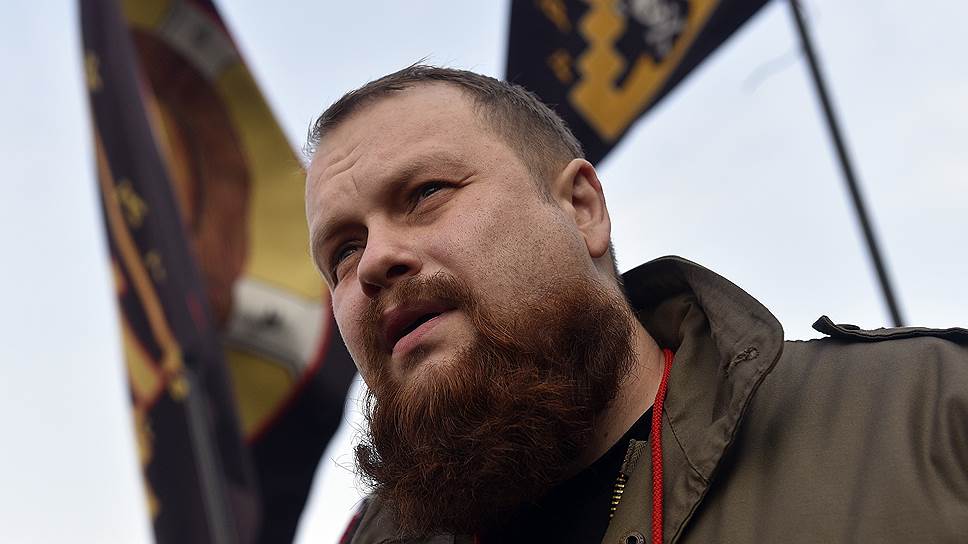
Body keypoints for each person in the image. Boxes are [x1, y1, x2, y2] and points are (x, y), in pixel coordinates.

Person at [302, 65, 968, 544]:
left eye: (425, 194)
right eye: (343, 251)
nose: (374, 262)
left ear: (581, 208)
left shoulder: (927, 411)